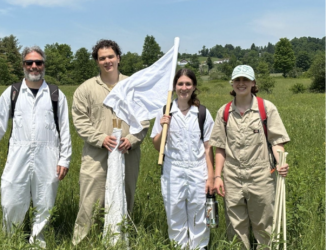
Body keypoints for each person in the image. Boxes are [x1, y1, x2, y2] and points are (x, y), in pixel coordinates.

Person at [0, 46, 72, 248]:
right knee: (11, 198)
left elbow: (64, 129)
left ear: (44, 65)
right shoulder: (13, 92)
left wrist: (64, 159)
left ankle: (38, 241)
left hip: (48, 155)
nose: (34, 66)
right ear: (23, 66)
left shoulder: (55, 95)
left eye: (38, 62)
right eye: (29, 62)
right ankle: (11, 239)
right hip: (18, 154)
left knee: (45, 200)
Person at [71, 39, 149, 245]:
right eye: (102, 58)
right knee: (90, 204)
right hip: (96, 155)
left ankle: (121, 242)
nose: (107, 61)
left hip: (127, 153)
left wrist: (131, 140)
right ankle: (83, 243)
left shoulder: (133, 87)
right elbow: (80, 121)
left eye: (110, 56)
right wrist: (101, 139)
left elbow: (144, 119)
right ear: (97, 62)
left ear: (118, 58)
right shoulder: (86, 89)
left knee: (124, 200)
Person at [210, 65, 290, 249]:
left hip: (261, 176)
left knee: (264, 226)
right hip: (232, 177)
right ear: (232, 83)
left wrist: (280, 163)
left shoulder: (266, 108)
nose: (241, 83)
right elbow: (220, 148)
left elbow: (277, 140)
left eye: (245, 80)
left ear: (253, 83)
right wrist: (217, 176)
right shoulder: (224, 112)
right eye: (237, 80)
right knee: (236, 229)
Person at [151, 68, 215, 250]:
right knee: (175, 212)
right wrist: (164, 127)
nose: (184, 88)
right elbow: (157, 146)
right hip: (173, 169)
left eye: (188, 84)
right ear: (174, 86)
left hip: (198, 169)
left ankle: (199, 247)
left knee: (199, 212)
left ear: (194, 87)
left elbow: (208, 147)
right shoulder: (165, 111)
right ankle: (179, 246)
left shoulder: (202, 113)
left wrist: (210, 176)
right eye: (180, 84)